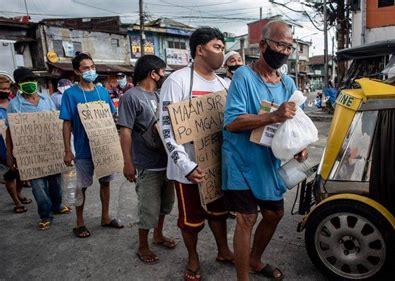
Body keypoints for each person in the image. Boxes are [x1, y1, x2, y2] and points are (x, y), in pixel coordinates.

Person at [222, 20, 307, 281]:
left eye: (289, 47)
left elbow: (294, 124)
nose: (284, 51)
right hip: (239, 160)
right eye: (279, 44)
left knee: (274, 213)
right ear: (263, 45)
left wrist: (299, 146)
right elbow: (233, 122)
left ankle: (255, 259)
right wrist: (273, 116)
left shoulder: (288, 84)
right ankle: (242, 277)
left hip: (267, 162)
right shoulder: (243, 77)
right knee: (247, 218)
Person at [159, 27, 234, 281]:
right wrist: (186, 165)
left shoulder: (226, 84)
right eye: (216, 47)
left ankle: (223, 250)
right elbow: (167, 129)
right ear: (199, 50)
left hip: (216, 164)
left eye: (223, 48)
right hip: (188, 170)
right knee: (191, 220)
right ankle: (193, 258)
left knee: (219, 212)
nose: (221, 53)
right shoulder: (177, 81)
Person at [118, 55, 176, 264]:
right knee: (148, 208)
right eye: (162, 71)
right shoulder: (130, 97)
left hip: (167, 162)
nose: (164, 75)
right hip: (146, 164)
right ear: (153, 73)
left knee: (165, 205)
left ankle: (158, 235)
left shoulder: (162, 95)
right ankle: (143, 246)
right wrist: (128, 162)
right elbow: (125, 132)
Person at [60, 53, 123, 238]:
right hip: (82, 149)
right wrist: (67, 151)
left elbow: (111, 117)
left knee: (106, 183)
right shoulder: (70, 94)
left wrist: (115, 142)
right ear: (76, 71)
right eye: (85, 68)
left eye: (92, 67)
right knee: (82, 186)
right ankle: (80, 223)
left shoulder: (102, 91)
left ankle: (105, 217)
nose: (90, 70)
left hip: (104, 147)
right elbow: (67, 123)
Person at [6, 67, 71, 230]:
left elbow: (57, 123)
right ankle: (44, 214)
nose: (30, 84)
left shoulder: (46, 100)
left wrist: (65, 148)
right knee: (38, 186)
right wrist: (10, 155)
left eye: (32, 80)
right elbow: (9, 132)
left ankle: (57, 205)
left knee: (56, 181)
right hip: (30, 155)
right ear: (18, 85)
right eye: (25, 81)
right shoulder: (14, 105)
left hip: (51, 150)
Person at [0, 74, 30, 213]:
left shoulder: (14, 103)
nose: (5, 91)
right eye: (2, 89)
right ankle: (16, 201)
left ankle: (19, 193)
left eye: (7, 89)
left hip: (19, 143)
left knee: (20, 172)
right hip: (2, 146)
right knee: (10, 173)